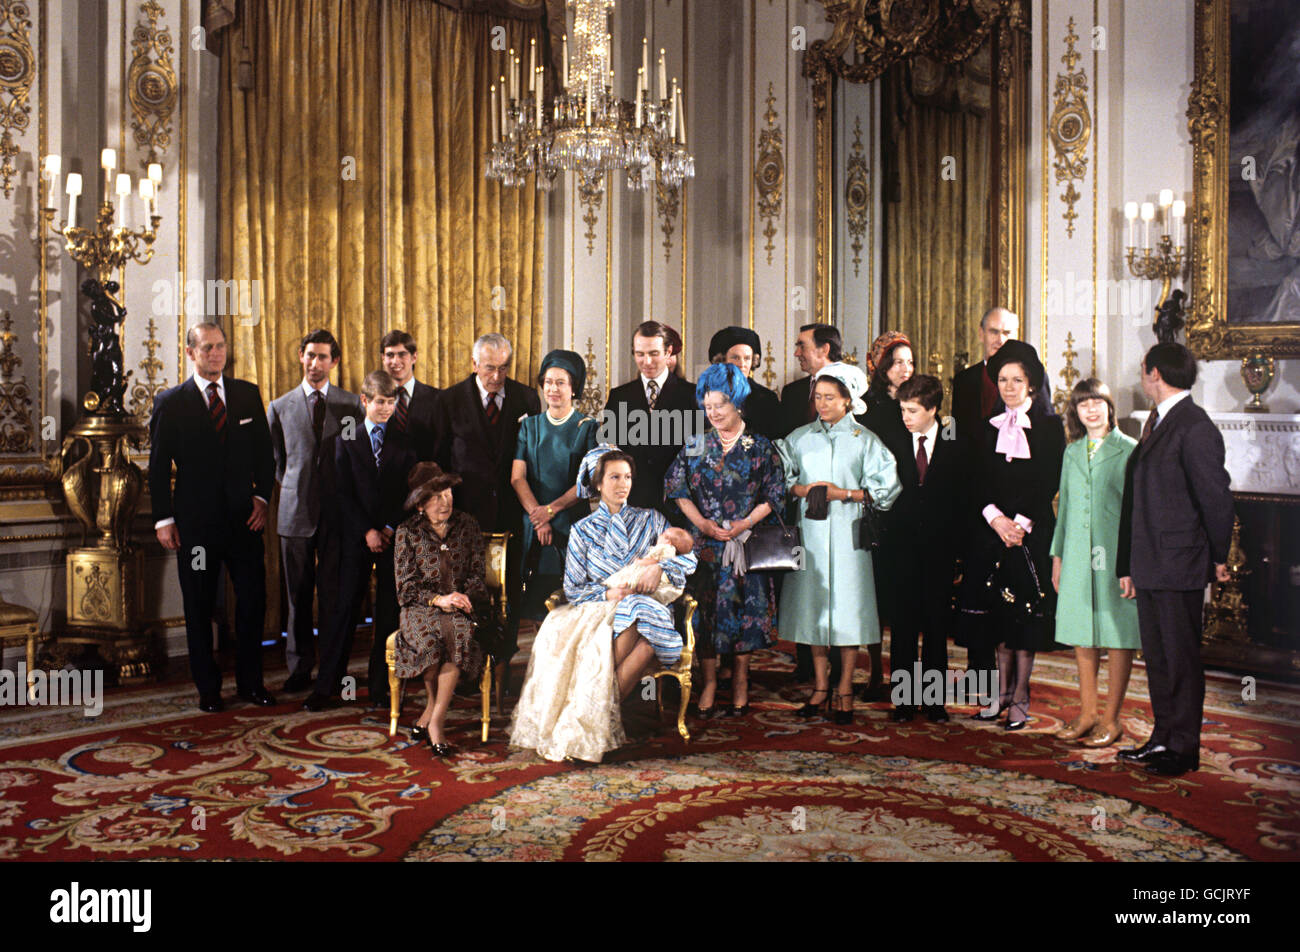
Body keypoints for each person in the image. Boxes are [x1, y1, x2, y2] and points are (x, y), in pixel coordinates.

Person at [510, 450, 698, 762]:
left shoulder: (651, 519)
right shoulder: (583, 529)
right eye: (614, 477)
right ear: (597, 484)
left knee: (645, 618)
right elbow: (573, 588)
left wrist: (660, 569)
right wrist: (608, 595)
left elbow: (686, 556)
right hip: (597, 610)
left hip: (644, 605)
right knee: (642, 628)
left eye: (627, 477)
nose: (622, 484)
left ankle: (589, 720)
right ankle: (591, 721)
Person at [1116, 343, 1234, 777]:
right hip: (1151, 563)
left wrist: (1219, 556)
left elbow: (1216, 499)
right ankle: (1163, 737)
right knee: (1160, 658)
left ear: (1155, 374)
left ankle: (1183, 748)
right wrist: (1126, 564)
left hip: (1180, 563)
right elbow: (1137, 500)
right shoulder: (1158, 422)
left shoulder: (1195, 427)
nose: (1141, 376)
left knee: (1181, 659)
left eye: (1143, 370)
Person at [149, 322, 276, 712]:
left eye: (220, 346)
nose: (216, 354)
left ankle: (251, 684)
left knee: (253, 602)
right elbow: (156, 468)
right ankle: (208, 689)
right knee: (199, 605)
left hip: (244, 523)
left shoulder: (247, 394)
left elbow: (265, 457)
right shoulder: (171, 402)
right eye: (207, 348)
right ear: (191, 353)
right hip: (196, 527)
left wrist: (261, 498)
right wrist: (163, 520)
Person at [777, 362, 902, 725]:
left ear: (849, 400)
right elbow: (781, 479)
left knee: (848, 614)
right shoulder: (799, 438)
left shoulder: (866, 441)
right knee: (813, 612)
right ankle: (820, 686)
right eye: (818, 397)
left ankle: (845, 688)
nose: (822, 404)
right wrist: (804, 489)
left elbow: (886, 490)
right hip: (811, 537)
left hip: (851, 537)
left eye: (830, 398)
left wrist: (843, 493)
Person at [665, 362, 786, 719]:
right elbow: (676, 488)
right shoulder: (695, 445)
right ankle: (710, 683)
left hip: (744, 545)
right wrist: (701, 522)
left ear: (738, 404)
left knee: (745, 616)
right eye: (708, 404)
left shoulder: (761, 447)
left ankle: (741, 683)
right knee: (705, 618)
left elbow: (774, 496)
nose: (713, 412)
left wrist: (744, 522)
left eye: (720, 404)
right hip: (705, 549)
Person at [955, 340, 1065, 730]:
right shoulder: (986, 428)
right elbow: (973, 483)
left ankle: (1021, 695)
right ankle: (1000, 692)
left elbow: (1049, 481)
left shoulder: (1052, 428)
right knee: (997, 617)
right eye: (1002, 379)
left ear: (1032, 384)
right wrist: (996, 519)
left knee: (1024, 618)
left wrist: (1019, 523)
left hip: (1030, 535)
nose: (1009, 387)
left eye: (1017, 380)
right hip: (992, 533)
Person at [306, 370, 417, 713]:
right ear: (364, 401)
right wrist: (366, 531)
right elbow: (337, 493)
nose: (386, 408)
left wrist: (386, 527)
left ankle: (382, 689)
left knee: (387, 615)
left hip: (390, 538)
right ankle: (328, 687)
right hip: (351, 540)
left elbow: (409, 492)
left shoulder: (404, 439)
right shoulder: (343, 437)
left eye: (392, 401)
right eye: (380, 402)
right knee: (342, 613)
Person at [433, 333, 542, 665]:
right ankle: (467, 663)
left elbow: (531, 462)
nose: (497, 377)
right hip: (465, 516)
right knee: (468, 590)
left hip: (512, 514)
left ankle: (504, 664)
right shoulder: (449, 401)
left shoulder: (526, 399)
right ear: (474, 363)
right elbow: (439, 464)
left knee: (509, 591)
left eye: (504, 368)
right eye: (490, 368)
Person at [267, 329, 362, 693]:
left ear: (334, 362)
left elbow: (354, 457)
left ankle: (332, 671)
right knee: (298, 596)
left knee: (335, 596)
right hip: (295, 514)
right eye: (310, 355)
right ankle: (299, 667)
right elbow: (278, 462)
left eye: (323, 357)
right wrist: (297, 487)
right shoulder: (279, 407)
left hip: (337, 516)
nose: (315, 363)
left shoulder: (351, 405)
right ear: (300, 357)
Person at [1049, 378, 1140, 747]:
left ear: (1109, 406)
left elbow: (1136, 512)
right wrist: (1057, 557)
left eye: (1097, 401)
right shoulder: (1072, 452)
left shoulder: (1131, 450)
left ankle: (1111, 719)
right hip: (1075, 555)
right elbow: (1065, 508)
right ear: (1075, 411)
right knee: (1082, 634)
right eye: (1083, 404)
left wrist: (1132, 564)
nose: (1091, 409)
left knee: (1118, 635)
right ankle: (1087, 714)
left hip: (1115, 558)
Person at [393, 462, 492, 757]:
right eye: (435, 496)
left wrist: (462, 596)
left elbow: (477, 571)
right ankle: (432, 712)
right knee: (430, 639)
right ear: (421, 504)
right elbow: (405, 588)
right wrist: (438, 600)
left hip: (462, 604)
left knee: (458, 633)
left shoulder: (468, 524)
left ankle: (434, 719)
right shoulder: (406, 532)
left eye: (447, 493)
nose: (444, 501)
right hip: (421, 608)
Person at [879, 374, 962, 723]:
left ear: (933, 409)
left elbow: (965, 494)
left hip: (941, 548)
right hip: (900, 548)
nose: (906, 417)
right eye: (902, 409)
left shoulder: (956, 438)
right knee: (902, 626)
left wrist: (960, 552)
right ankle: (904, 701)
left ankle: (933, 701)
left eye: (912, 410)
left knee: (935, 626)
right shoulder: (893, 436)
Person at [509, 349, 600, 626]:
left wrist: (552, 510)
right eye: (548, 382)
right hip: (535, 523)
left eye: (560, 382)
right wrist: (539, 517)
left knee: (571, 609)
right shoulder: (530, 426)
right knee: (538, 607)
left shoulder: (587, 427)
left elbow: (589, 483)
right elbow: (517, 477)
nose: (553, 389)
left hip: (571, 523)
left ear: (574, 389)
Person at [859, 330, 916, 700]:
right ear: (882, 367)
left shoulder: (920, 401)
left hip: (910, 510)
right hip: (876, 511)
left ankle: (904, 678)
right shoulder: (866, 407)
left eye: (910, 362)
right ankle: (875, 672)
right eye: (897, 363)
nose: (905, 369)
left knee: (904, 598)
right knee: (873, 596)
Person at [603, 321, 698, 520]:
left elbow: (697, 455)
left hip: (680, 508)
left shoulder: (692, 395)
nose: (647, 362)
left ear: (668, 352)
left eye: (654, 353)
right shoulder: (618, 396)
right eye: (640, 354)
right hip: (631, 506)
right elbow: (611, 456)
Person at [951, 308, 1054, 458]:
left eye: (1006, 333)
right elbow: (956, 431)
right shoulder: (963, 380)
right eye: (994, 332)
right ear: (981, 334)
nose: (1000, 340)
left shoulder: (1035, 376)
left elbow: (1046, 428)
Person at [708, 326, 782, 440]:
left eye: (747, 358)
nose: (742, 364)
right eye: (735, 358)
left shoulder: (767, 399)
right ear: (721, 361)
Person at [380, 330, 441, 461]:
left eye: (402, 354)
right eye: (390, 355)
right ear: (383, 359)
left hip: (426, 479)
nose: (395, 361)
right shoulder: (369, 400)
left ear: (414, 357)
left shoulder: (437, 399)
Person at [777, 323, 842, 440]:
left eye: (802, 347)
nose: (796, 353)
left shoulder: (850, 391)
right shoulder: (791, 392)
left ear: (824, 349)